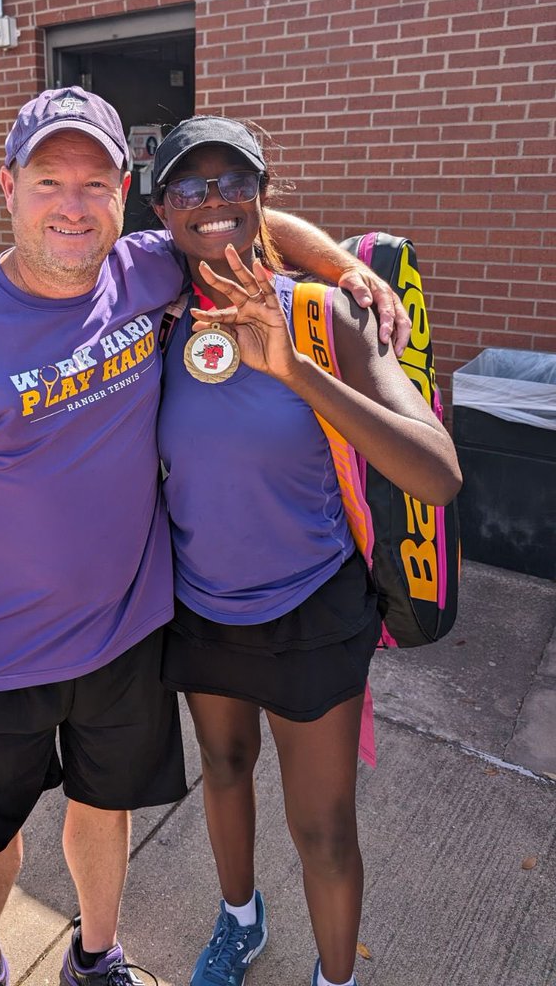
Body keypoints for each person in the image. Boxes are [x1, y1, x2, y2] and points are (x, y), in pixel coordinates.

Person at [0, 88, 410, 986]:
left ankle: (96, 955)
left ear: (124, 192)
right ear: (8, 188)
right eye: (48, 181)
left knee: (100, 809)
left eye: (93, 182)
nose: (71, 207)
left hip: (131, 637)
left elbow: (249, 221)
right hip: (0, 651)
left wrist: (354, 272)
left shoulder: (142, 269)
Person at [150, 116, 462, 986]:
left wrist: (297, 371)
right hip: (201, 608)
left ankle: (336, 977)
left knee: (324, 832)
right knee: (223, 766)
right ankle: (240, 923)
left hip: (312, 613)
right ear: (162, 211)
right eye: (189, 186)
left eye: (233, 183)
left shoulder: (325, 318)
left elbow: (437, 475)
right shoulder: (154, 318)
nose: (213, 202)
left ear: (263, 196)